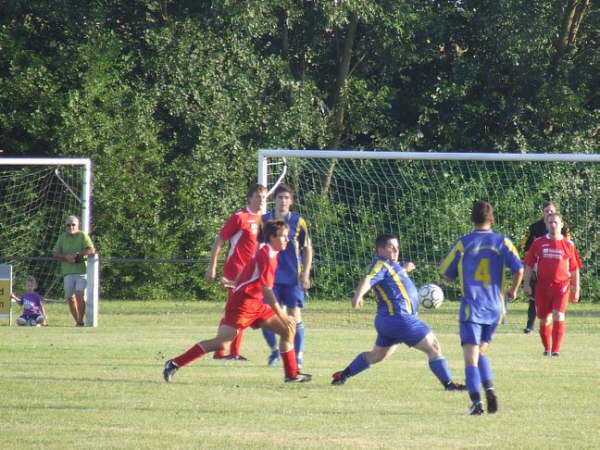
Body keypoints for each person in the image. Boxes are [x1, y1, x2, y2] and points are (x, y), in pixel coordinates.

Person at [164, 220, 312, 383]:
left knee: (287, 330)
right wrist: (283, 315)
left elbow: (248, 271)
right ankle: (174, 363)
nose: (287, 239)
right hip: (243, 304)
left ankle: (291, 374)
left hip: (255, 303)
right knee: (222, 343)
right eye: (283, 236)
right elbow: (267, 290)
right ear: (272, 237)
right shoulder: (267, 256)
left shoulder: (269, 253)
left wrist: (235, 283)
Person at [330, 233, 465, 392]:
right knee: (433, 346)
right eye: (391, 247)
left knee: (378, 355)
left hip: (387, 320)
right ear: (379, 249)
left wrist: (404, 269)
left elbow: (393, 280)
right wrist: (358, 295)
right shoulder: (380, 264)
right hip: (400, 318)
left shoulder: (391, 265)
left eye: (397, 247)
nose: (396, 250)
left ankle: (343, 375)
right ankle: (449, 385)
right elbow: (368, 279)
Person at [440, 201, 523, 415]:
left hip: (472, 308)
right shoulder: (502, 241)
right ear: (492, 219)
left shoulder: (463, 243)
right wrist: (513, 290)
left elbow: (445, 273)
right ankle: (490, 388)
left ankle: (477, 404)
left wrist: (455, 275)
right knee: (480, 351)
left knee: (470, 357)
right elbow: (519, 268)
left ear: (472, 219)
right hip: (496, 308)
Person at [204, 183, 267, 360]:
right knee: (236, 313)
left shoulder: (265, 220)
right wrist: (212, 266)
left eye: (264, 197)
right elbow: (219, 240)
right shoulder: (239, 218)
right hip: (236, 272)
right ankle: (226, 352)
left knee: (240, 313)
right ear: (250, 198)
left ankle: (228, 352)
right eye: (258, 196)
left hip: (252, 275)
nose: (261, 200)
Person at [260, 184, 313, 368]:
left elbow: (307, 249)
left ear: (291, 201)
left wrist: (305, 274)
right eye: (280, 197)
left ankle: (297, 355)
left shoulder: (298, 222)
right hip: (269, 277)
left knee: (294, 317)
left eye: (286, 198)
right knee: (266, 318)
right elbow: (256, 248)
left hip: (292, 278)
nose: (283, 201)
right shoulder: (264, 220)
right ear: (275, 199)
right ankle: (275, 351)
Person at [523, 212, 582, 357]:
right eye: (550, 222)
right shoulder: (538, 243)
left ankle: (556, 350)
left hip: (561, 286)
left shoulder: (568, 245)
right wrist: (526, 284)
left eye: (556, 222)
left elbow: (574, 269)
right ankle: (547, 348)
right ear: (547, 224)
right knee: (544, 318)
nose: (553, 225)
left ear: (561, 225)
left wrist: (576, 289)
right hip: (542, 287)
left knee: (558, 314)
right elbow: (529, 265)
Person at [519, 201, 571, 334]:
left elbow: (569, 248)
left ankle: (553, 329)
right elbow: (524, 246)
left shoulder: (563, 228)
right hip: (537, 268)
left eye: (552, 211)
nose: (549, 213)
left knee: (556, 302)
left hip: (557, 271)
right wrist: (533, 262)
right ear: (543, 213)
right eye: (547, 211)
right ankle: (529, 327)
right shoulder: (534, 228)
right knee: (534, 298)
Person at [52, 215, 95, 326]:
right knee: (70, 298)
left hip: (81, 271)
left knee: (79, 294)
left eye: (73, 225)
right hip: (67, 272)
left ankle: (80, 320)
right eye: (68, 225)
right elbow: (55, 253)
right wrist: (66, 257)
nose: (71, 227)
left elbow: (91, 249)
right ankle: (78, 322)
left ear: (77, 225)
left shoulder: (82, 235)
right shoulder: (62, 237)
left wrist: (77, 255)